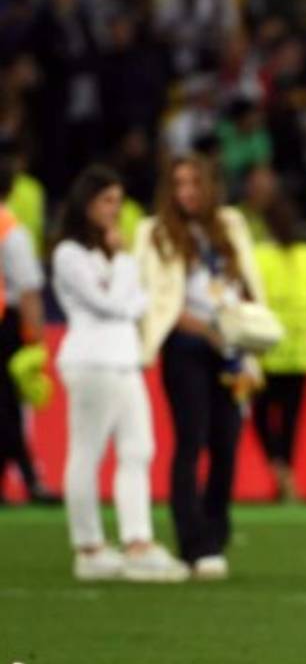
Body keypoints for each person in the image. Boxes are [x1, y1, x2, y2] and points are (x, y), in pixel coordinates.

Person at [52, 165, 187, 582]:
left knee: (138, 450)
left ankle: (136, 541)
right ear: (86, 204)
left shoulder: (107, 254)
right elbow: (111, 304)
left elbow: (130, 303)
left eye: (118, 200)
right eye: (106, 201)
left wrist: (125, 284)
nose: (115, 210)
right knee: (87, 453)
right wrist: (127, 274)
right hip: (92, 361)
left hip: (124, 360)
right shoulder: (68, 253)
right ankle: (88, 546)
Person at [135, 153, 264, 580]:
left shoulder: (230, 224)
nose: (186, 192)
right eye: (178, 184)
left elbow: (247, 280)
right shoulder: (154, 231)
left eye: (194, 183)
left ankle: (216, 532)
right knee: (191, 439)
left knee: (227, 440)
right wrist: (205, 330)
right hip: (185, 343)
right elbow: (154, 300)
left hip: (230, 346)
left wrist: (244, 328)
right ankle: (193, 543)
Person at [252, 194, 306, 501]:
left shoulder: (260, 255)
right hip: (300, 349)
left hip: (267, 351)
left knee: (260, 416)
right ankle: (287, 474)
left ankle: (279, 469)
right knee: (290, 420)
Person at [0, 155, 57, 504]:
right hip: (6, 323)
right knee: (7, 406)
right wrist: (36, 339)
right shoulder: (10, 228)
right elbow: (30, 287)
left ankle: (23, 476)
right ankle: (30, 478)